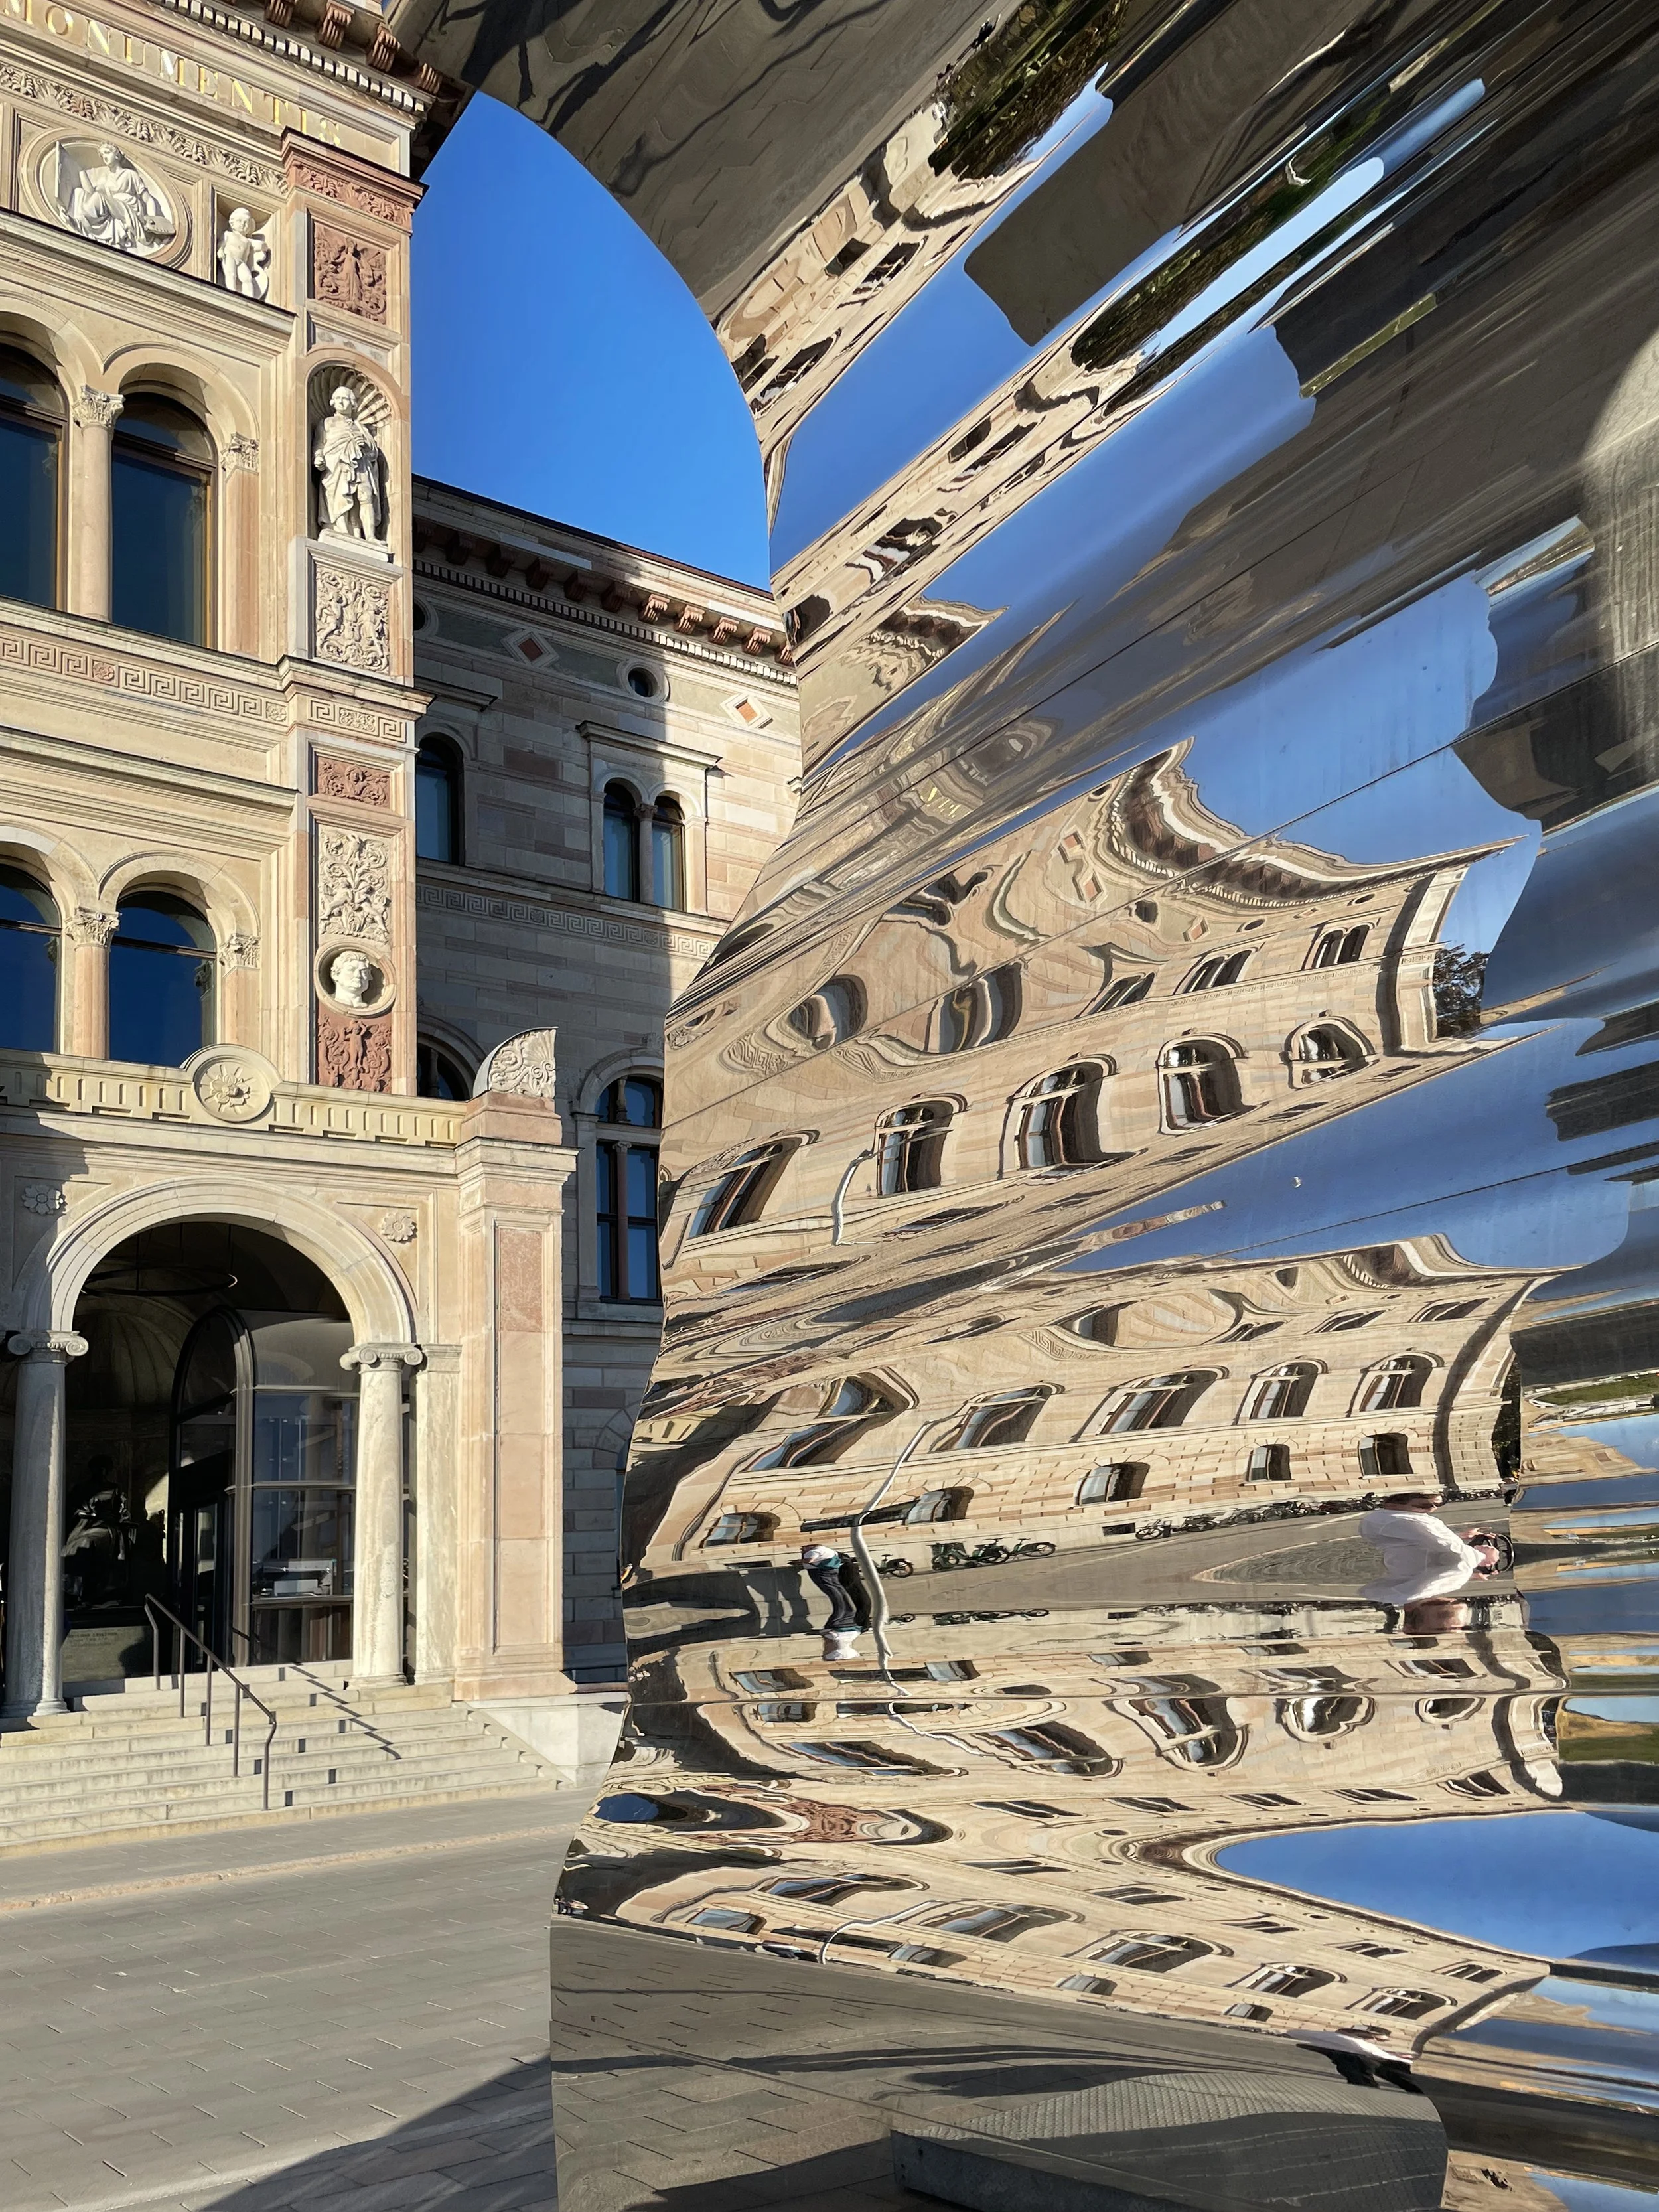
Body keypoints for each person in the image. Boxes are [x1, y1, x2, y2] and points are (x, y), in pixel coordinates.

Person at [1357, 1491, 1499, 1607]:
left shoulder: (1393, 1519)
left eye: (1438, 1504)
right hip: (1402, 1572)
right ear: (1395, 1503)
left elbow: (1430, 1540)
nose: (1433, 1508)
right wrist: (1481, 1556)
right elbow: (1455, 1554)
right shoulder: (1398, 1520)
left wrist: (1462, 1539)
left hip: (1399, 1568)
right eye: (1426, 1503)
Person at [66, 144, 172, 254]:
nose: (105, 157)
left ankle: (84, 220)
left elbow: (148, 199)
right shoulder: (106, 179)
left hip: (129, 207)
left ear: (116, 155)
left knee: (99, 198)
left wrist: (152, 220)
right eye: (102, 155)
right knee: (79, 192)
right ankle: (80, 221)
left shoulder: (130, 174)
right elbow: (91, 194)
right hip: (113, 206)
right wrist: (81, 173)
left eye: (107, 153)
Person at [313, 386, 385, 544]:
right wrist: (318, 456)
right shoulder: (326, 424)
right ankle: (342, 531)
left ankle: (370, 536)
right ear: (332, 402)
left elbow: (373, 453)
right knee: (339, 496)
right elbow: (319, 444)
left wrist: (366, 446)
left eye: (345, 399)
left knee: (366, 495)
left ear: (352, 404)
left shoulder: (360, 427)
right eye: (338, 399)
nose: (341, 402)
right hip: (336, 465)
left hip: (361, 465)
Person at [800, 1542, 861, 1659]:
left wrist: (801, 1561)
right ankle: (846, 1608)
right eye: (826, 1649)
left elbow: (810, 1560)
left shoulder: (853, 1634)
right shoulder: (833, 1636)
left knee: (835, 1591)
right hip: (825, 1571)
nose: (824, 1646)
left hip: (823, 1572)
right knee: (836, 1591)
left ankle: (847, 1608)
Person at [218, 207, 270, 299]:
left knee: (247, 278)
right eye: (239, 221)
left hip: (241, 261)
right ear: (232, 223)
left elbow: (261, 245)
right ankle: (231, 294)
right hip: (230, 257)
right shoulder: (228, 234)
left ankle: (250, 298)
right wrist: (220, 250)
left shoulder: (248, 241)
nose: (242, 224)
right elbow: (222, 243)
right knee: (231, 275)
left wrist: (263, 246)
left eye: (246, 223)